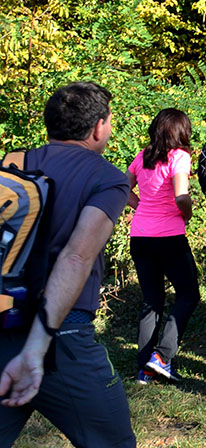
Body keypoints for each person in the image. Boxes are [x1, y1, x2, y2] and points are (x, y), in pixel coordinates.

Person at [0, 82, 136, 446]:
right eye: (109, 122)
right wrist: (37, 348)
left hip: (3, 324)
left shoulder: (15, 162)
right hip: (62, 337)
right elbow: (77, 256)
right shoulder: (107, 178)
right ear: (97, 127)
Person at [126, 108, 201, 384]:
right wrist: (187, 214)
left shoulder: (142, 156)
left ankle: (144, 370)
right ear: (181, 132)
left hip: (140, 236)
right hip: (169, 237)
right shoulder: (180, 157)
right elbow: (181, 196)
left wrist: (140, 207)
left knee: (151, 301)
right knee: (189, 294)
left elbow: (123, 188)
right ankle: (162, 356)